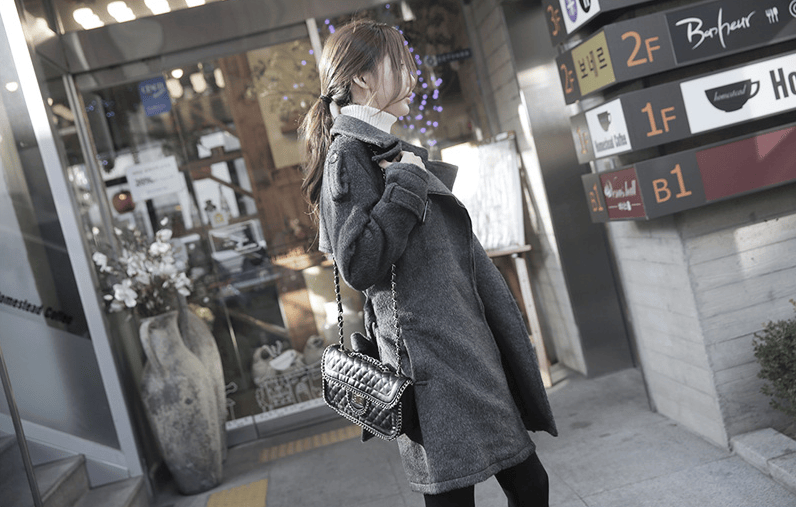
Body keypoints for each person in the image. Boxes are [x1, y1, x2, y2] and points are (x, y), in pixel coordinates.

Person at [299, 19, 557, 507]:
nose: (413, 76)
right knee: (477, 492)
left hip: (459, 344)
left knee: (524, 483)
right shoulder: (348, 156)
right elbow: (358, 263)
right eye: (399, 65)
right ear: (362, 79)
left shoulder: (384, 149)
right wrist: (406, 185)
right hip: (428, 357)